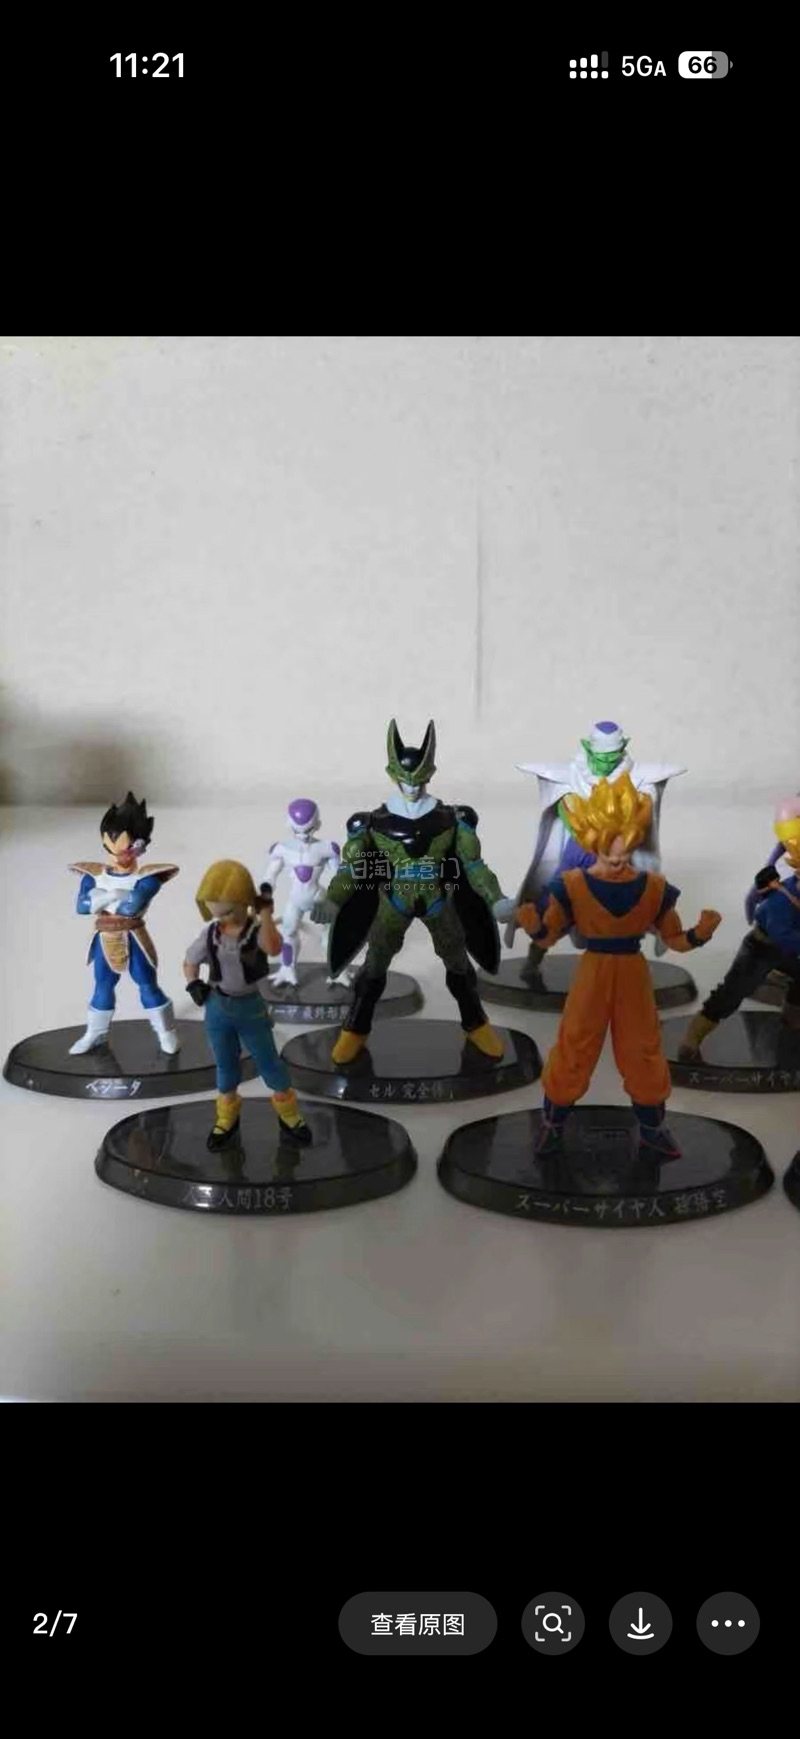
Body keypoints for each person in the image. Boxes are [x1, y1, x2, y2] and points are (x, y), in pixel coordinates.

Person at [516, 772, 720, 1158]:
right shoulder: (572, 884)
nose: (617, 863)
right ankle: (553, 1123)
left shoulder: (654, 887)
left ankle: (652, 1128)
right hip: (593, 971)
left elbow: (673, 939)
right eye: (610, 855)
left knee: (642, 1047)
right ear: (591, 842)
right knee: (575, 1043)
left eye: (625, 855)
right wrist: (534, 927)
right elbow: (548, 937)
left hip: (632, 973)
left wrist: (699, 934)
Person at [184, 860, 311, 1149]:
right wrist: (193, 984)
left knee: (269, 1063)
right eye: (216, 912)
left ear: (244, 902)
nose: (221, 918)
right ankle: (226, 1117)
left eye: (228, 911)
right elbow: (190, 961)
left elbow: (273, 947)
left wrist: (265, 913)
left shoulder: (256, 930)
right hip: (218, 1006)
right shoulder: (211, 933)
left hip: (250, 1007)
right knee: (225, 1066)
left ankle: (290, 1116)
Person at [680, 796, 800, 1058]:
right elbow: (782, 934)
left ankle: (792, 1020)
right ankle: (693, 1038)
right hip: (762, 948)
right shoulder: (780, 900)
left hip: (792, 952)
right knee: (732, 992)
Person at [69, 792, 180, 1056]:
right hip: (104, 937)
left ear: (141, 845)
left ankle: (166, 1032)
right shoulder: (93, 875)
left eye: (128, 847)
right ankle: (95, 1033)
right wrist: (114, 896)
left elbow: (132, 907)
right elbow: (81, 907)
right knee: (102, 986)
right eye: (114, 845)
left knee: (147, 985)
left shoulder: (147, 877)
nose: (121, 854)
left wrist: (101, 898)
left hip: (133, 937)